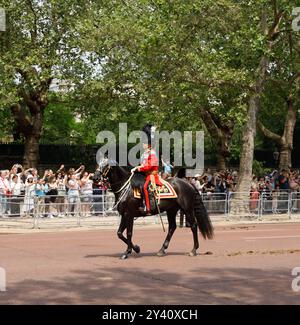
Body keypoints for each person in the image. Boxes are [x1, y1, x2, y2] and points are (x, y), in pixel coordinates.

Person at [132, 124, 162, 215]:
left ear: (148, 144)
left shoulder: (152, 153)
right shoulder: (145, 153)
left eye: (144, 143)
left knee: (145, 187)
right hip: (145, 174)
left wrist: (138, 169)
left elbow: (149, 166)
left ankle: (148, 208)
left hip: (152, 175)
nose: (142, 144)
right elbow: (143, 164)